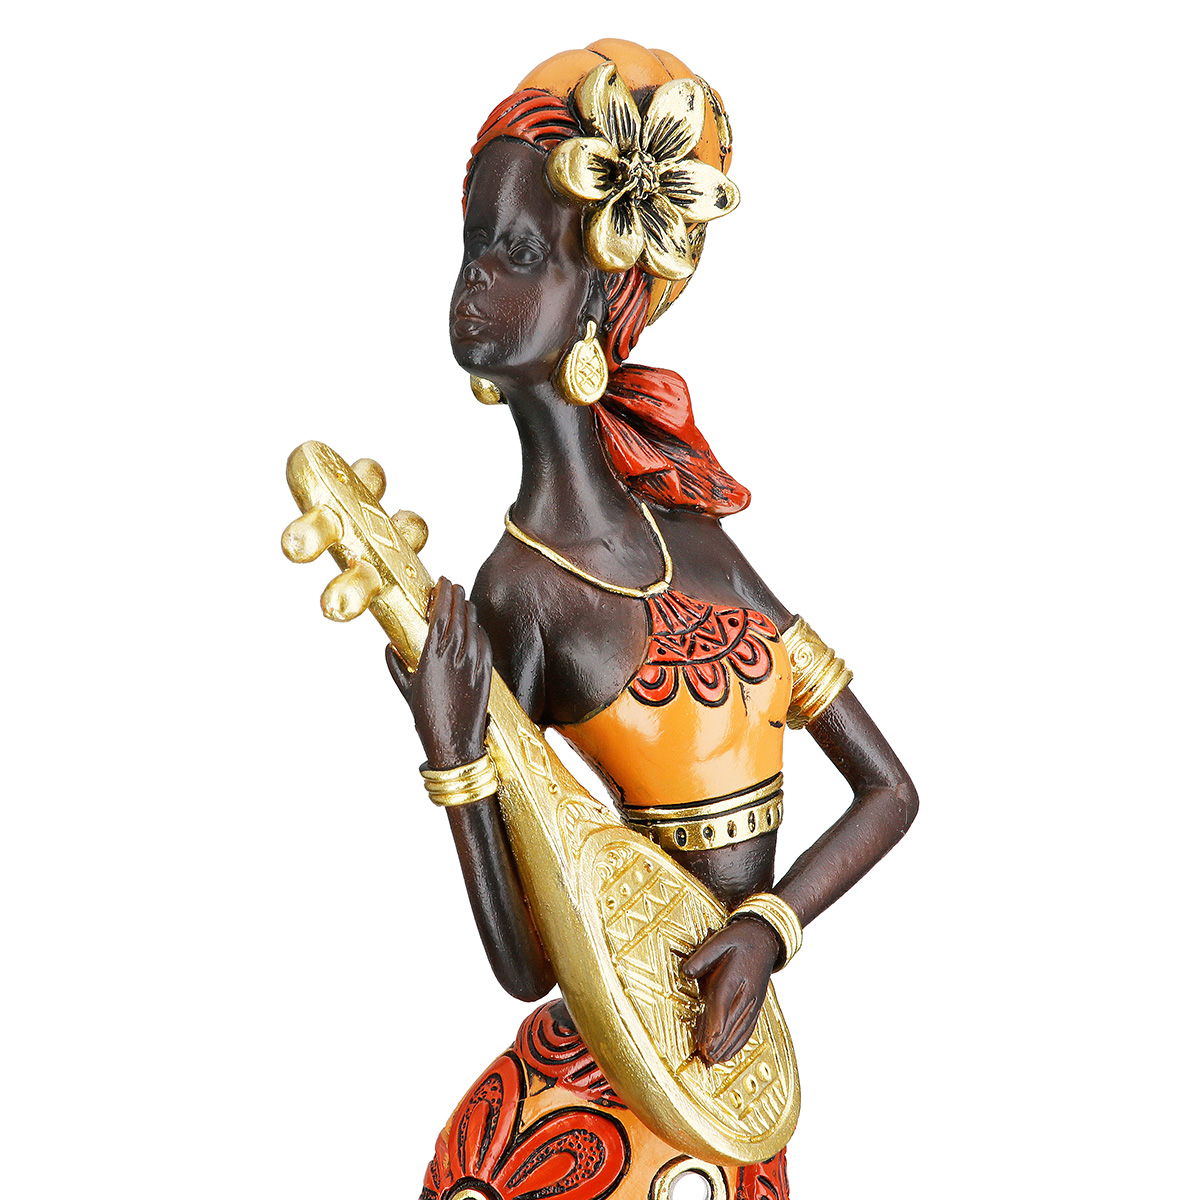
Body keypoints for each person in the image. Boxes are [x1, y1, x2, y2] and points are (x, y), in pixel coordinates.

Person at [388, 39, 918, 1199]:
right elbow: (528, 963)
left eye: (517, 252)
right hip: (600, 1088)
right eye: (474, 247)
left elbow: (890, 790)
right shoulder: (517, 592)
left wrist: (768, 930)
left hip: (723, 1077)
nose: (476, 282)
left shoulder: (702, 543)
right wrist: (456, 755)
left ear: (600, 295)